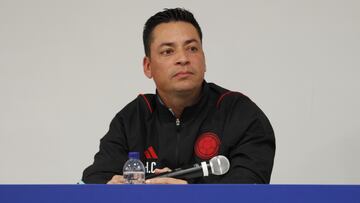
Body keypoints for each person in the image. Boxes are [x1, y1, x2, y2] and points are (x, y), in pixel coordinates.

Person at [82, 8, 275, 184]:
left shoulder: (240, 113)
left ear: (204, 59)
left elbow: (249, 188)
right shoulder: (131, 119)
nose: (183, 59)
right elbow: (95, 179)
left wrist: (186, 193)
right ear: (148, 67)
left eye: (192, 48)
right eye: (168, 51)